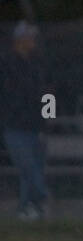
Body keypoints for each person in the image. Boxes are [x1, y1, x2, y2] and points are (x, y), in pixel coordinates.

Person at [1, 22, 49, 220]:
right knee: (29, 168)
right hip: (14, 126)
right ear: (19, 41)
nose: (33, 42)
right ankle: (42, 196)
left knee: (30, 170)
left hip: (35, 126)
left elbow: (48, 93)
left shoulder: (37, 64)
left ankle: (27, 208)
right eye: (29, 38)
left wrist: (48, 120)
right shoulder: (6, 64)